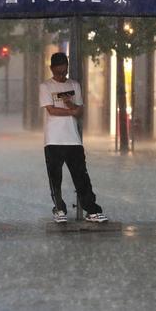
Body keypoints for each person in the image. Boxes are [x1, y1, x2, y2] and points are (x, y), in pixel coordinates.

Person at [39, 52, 108, 224]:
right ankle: (59, 208)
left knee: (81, 175)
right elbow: (51, 110)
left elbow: (80, 110)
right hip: (53, 140)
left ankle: (91, 209)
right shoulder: (46, 86)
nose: (62, 76)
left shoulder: (74, 85)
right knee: (55, 177)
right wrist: (71, 111)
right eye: (58, 72)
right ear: (52, 69)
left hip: (73, 139)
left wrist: (70, 105)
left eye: (64, 72)